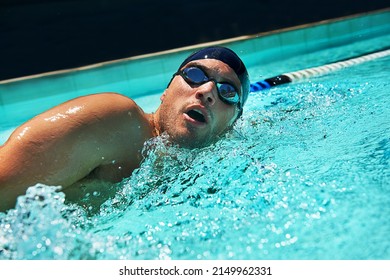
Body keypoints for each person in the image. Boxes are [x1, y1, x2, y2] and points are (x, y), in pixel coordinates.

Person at [0, 46, 250, 212]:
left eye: (227, 92)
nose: (206, 91)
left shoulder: (208, 171)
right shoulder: (116, 123)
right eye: (195, 74)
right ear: (165, 92)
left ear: (231, 126)